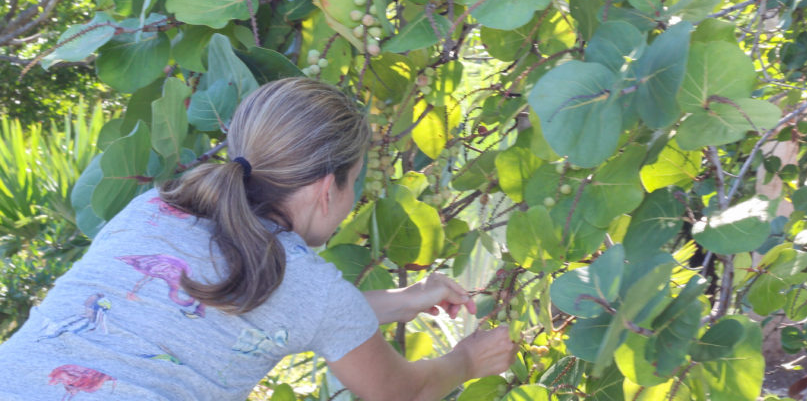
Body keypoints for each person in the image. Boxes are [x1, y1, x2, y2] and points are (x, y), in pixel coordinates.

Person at [0, 77, 516, 400]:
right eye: (355, 181)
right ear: (324, 189)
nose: (354, 197)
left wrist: (404, 301)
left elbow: (242, 311)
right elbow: (402, 392)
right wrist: (469, 360)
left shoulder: (155, 207)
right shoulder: (306, 285)